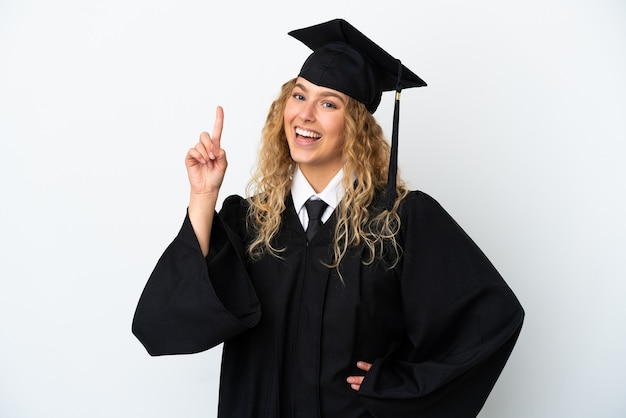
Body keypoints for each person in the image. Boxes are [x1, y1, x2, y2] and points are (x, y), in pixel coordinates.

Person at [132, 18, 524, 418]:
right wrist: (203, 197)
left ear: (355, 126)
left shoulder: (398, 223)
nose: (306, 115)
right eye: (300, 96)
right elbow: (163, 325)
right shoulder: (251, 221)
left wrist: (398, 384)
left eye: (328, 103)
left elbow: (490, 322)